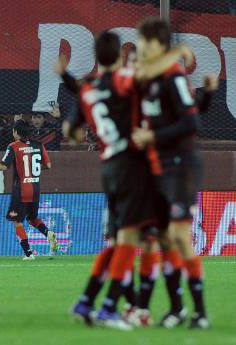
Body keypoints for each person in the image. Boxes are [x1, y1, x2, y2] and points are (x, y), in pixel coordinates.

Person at [63, 31, 162, 330]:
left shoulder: (88, 89)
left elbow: (71, 131)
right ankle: (108, 308)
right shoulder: (125, 81)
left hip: (109, 168)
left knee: (122, 239)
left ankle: (86, 301)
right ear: (120, 55)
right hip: (133, 166)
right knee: (134, 239)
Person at [132, 17, 210, 329]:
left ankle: (200, 312)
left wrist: (152, 137)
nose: (141, 49)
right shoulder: (152, 79)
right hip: (160, 167)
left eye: (146, 44)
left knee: (178, 237)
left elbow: (193, 124)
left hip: (182, 165)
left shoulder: (174, 78)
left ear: (159, 46)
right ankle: (177, 309)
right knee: (163, 239)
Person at [0, 120, 57, 260]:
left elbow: (3, 166)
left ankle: (28, 254)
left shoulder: (13, 146)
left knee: (18, 222)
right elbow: (48, 165)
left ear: (16, 132)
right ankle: (48, 233)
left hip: (21, 190)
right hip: (35, 189)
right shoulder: (39, 145)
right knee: (32, 218)